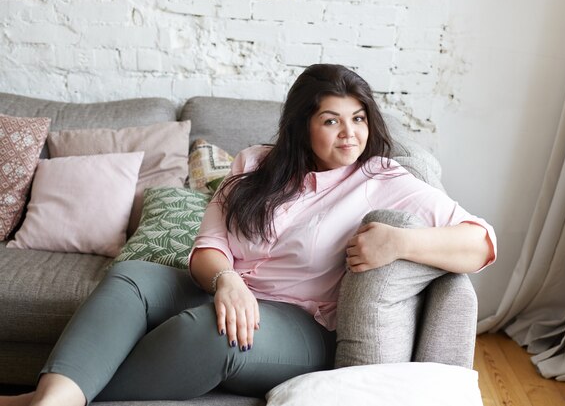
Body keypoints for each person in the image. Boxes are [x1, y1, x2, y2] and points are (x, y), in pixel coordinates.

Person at [0, 64, 496, 406]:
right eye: (332, 120)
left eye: (359, 119)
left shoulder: (385, 179)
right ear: (302, 127)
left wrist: (401, 242)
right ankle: (56, 400)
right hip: (225, 289)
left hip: (303, 325)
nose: (351, 134)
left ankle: (50, 396)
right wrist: (227, 282)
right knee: (131, 276)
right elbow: (209, 248)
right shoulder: (255, 164)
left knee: (218, 334)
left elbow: (482, 242)